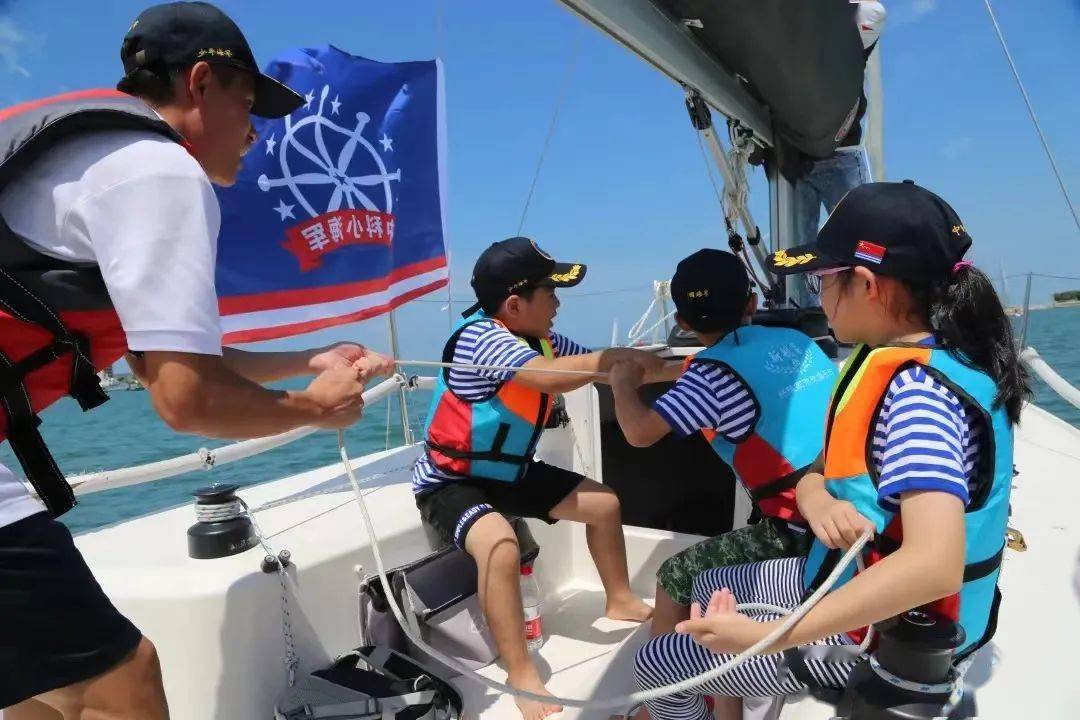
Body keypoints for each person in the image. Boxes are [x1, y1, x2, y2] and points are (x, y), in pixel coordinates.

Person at [0, 3, 392, 719]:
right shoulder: (157, 172)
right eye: (248, 105)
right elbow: (186, 402)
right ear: (201, 83)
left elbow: (171, 365)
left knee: (41, 687)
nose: (255, 131)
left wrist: (310, 359)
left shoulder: (93, 164)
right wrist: (322, 409)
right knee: (118, 681)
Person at [632, 181, 1029, 720]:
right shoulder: (933, 355)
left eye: (821, 280)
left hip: (880, 639)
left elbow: (934, 566)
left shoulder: (919, 398)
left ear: (866, 284)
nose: (816, 297)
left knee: (655, 662)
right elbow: (824, 470)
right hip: (842, 571)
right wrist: (816, 496)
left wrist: (766, 636)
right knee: (705, 583)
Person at [414, 236, 665, 720]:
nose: (557, 302)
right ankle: (521, 673)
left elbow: (593, 368)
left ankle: (620, 600)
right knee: (500, 546)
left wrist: (679, 368)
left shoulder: (545, 341)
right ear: (514, 304)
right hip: (451, 479)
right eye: (549, 292)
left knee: (604, 504)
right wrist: (606, 361)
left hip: (508, 471)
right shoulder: (480, 338)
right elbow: (547, 377)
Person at [608, 249, 836, 719]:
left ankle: (657, 704)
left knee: (676, 576)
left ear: (683, 321)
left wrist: (622, 384)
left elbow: (639, 432)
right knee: (714, 579)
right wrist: (672, 370)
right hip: (840, 508)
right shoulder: (799, 343)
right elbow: (730, 365)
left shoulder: (707, 378)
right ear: (751, 303)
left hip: (798, 532)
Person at [791, 0, 886, 308]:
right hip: (791, 159)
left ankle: (870, 310)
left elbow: (873, 12)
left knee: (863, 245)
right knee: (797, 254)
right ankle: (808, 315)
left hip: (840, 154)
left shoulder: (854, 33)